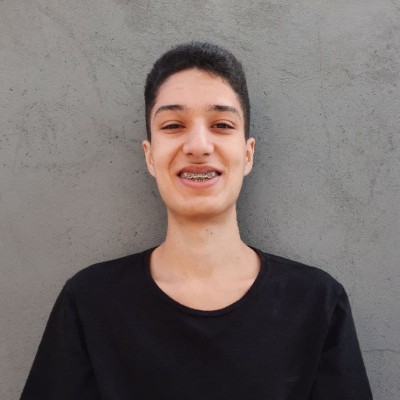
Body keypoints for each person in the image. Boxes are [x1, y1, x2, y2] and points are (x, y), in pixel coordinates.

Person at [21, 42, 373, 399]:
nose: (199, 146)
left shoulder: (315, 302)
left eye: (222, 124)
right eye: (174, 125)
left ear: (247, 154)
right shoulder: (90, 302)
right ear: (150, 156)